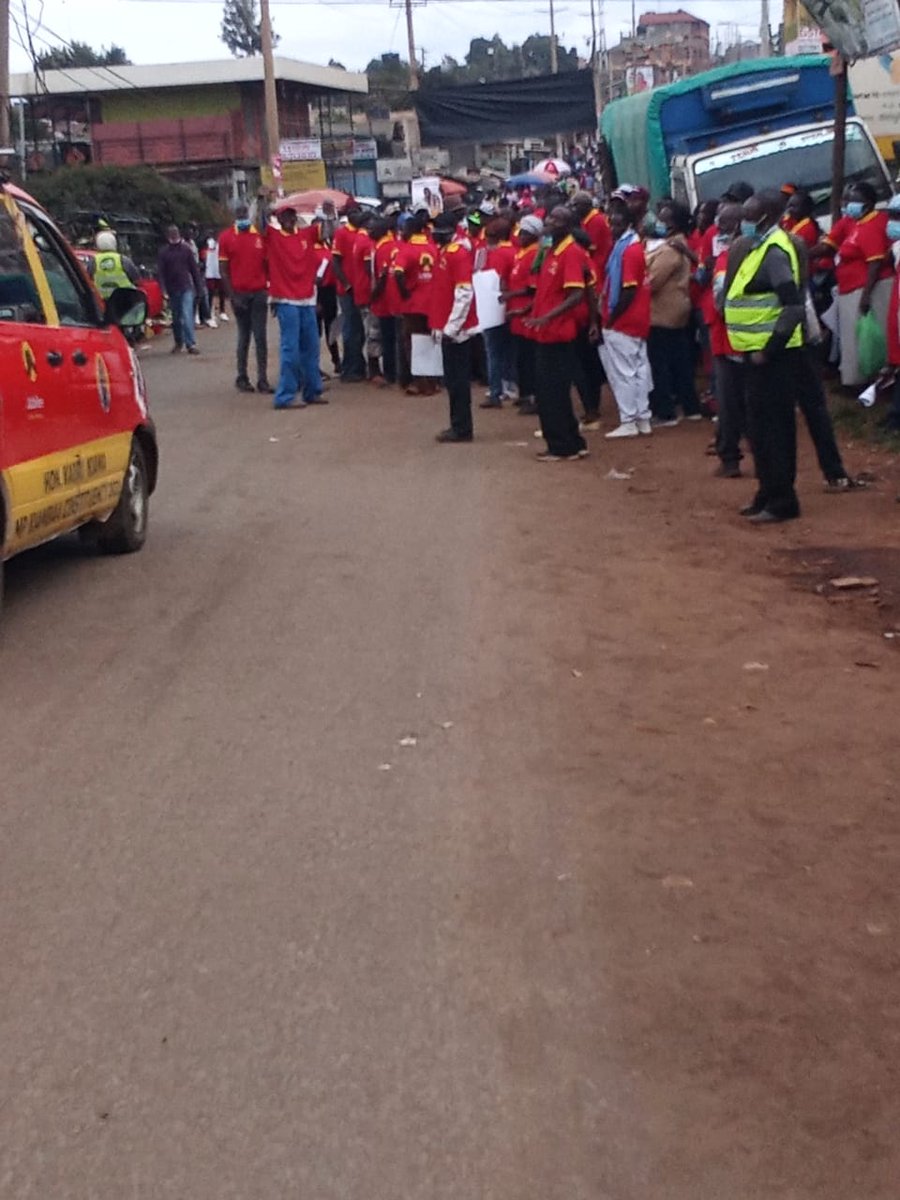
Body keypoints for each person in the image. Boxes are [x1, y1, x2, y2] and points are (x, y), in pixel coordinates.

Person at [723, 189, 805, 523]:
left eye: (748, 216)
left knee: (774, 431)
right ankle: (767, 491)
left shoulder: (774, 252)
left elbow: (794, 307)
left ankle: (782, 501)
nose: (743, 222)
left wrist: (768, 351)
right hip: (754, 355)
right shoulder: (759, 247)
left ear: (766, 217)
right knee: (758, 429)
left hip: (774, 358)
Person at [524, 207, 589, 462]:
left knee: (552, 392)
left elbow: (576, 293)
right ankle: (572, 441)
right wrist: (530, 309)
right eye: (549, 217)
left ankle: (562, 446)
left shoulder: (570, 252)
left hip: (558, 332)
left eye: (556, 219)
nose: (549, 222)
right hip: (546, 331)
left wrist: (547, 316)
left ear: (569, 225)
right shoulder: (551, 250)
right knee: (552, 390)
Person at [828, 181, 892, 386]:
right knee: (859, 339)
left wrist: (865, 297)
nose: (848, 206)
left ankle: (880, 380)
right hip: (852, 289)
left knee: (874, 338)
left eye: (854, 202)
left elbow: (875, 263)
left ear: (868, 203)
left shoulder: (873, 224)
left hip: (871, 289)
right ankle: (866, 380)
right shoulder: (857, 223)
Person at [599, 202, 653, 438]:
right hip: (637, 318)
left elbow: (628, 290)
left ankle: (629, 419)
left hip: (624, 320)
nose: (612, 227)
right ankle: (642, 418)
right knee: (640, 370)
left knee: (624, 373)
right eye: (611, 223)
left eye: (617, 224)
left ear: (628, 224)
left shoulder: (628, 250)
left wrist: (612, 319)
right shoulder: (629, 246)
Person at [264, 203, 324, 410]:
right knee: (291, 349)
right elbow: (259, 222)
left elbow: (327, 230)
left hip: (307, 299)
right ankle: (285, 396)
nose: (289, 219)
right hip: (285, 299)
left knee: (312, 348)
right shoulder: (273, 237)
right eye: (285, 216)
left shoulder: (306, 234)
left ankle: (312, 391)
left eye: (292, 216)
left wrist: (327, 211)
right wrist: (262, 202)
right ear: (279, 220)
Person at [647, 201, 700, 425]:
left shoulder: (671, 248)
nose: (659, 221)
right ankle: (690, 407)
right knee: (679, 360)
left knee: (661, 363)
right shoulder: (671, 245)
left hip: (664, 311)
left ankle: (666, 411)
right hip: (673, 309)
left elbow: (653, 281)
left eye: (664, 218)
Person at [429, 211, 479, 443]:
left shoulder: (457, 254)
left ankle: (461, 427)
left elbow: (463, 293)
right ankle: (458, 425)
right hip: (448, 326)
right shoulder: (447, 251)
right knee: (453, 381)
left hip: (456, 331)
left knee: (458, 382)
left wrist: (451, 328)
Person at [218, 203, 271, 393]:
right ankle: (242, 377)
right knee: (244, 337)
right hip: (239, 293)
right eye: (238, 212)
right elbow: (224, 271)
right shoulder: (226, 238)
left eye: (244, 212)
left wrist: (267, 288)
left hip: (258, 293)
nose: (241, 215)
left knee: (261, 337)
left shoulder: (259, 236)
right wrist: (232, 296)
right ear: (234, 215)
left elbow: (267, 264)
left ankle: (262, 379)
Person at [393, 210, 438, 395]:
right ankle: (433, 381)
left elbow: (398, 273)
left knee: (412, 342)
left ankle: (420, 383)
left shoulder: (406, 249)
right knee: (430, 341)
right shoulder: (433, 247)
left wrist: (405, 293)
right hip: (432, 303)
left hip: (414, 304)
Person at [480, 217, 517, 408]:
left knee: (493, 350)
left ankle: (496, 391)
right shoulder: (515, 251)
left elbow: (496, 279)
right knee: (508, 349)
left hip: (495, 303)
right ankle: (510, 386)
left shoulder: (497, 253)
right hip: (512, 305)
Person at [331, 206, 367, 382]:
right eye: (353, 212)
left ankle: (359, 365)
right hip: (347, 290)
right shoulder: (341, 233)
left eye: (358, 212)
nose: (356, 215)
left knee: (359, 330)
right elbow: (335, 262)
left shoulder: (363, 232)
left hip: (360, 289)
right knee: (350, 329)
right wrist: (345, 284)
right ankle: (349, 369)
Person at [157, 224, 204, 356]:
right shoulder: (164, 253)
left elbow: (194, 270)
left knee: (186, 314)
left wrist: (199, 287)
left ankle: (191, 344)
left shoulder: (185, 250)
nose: (174, 237)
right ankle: (179, 342)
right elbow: (160, 273)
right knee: (176, 317)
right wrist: (163, 290)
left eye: (175, 234)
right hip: (172, 289)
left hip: (185, 287)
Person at [369, 216, 400, 387]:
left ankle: (390, 373)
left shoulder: (383, 248)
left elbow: (381, 278)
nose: (370, 231)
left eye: (373, 228)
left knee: (387, 339)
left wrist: (373, 296)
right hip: (396, 301)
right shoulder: (396, 244)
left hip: (385, 302)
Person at [91, 230, 140, 299]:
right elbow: (136, 279)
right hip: (124, 300)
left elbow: (88, 279)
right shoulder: (123, 260)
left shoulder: (93, 262)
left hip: (101, 301)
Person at [202, 233, 228, 323]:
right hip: (210, 271)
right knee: (210, 292)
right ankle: (210, 312)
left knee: (222, 291)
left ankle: (222, 311)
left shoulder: (222, 243)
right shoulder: (208, 242)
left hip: (219, 270)